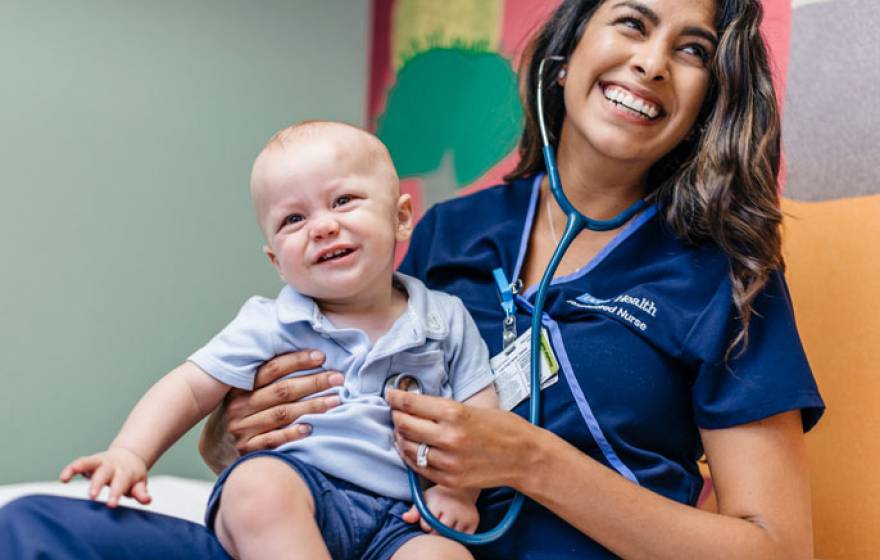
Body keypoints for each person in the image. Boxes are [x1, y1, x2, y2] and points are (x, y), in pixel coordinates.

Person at [0, 0, 825, 558]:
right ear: (569, 50)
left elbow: (776, 548)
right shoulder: (448, 230)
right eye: (632, 25)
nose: (650, 63)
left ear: (711, 92)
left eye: (691, 50)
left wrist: (530, 462)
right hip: (349, 535)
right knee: (30, 530)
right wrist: (238, 429)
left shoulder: (726, 276)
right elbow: (336, 384)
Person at [56, 121, 498, 560]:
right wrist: (130, 453)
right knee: (257, 489)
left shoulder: (445, 318)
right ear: (277, 262)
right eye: (293, 219)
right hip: (300, 485)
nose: (322, 227)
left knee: (445, 556)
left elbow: (482, 414)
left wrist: (458, 491)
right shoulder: (272, 322)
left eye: (343, 201)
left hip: (402, 517)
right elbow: (188, 387)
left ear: (401, 217)